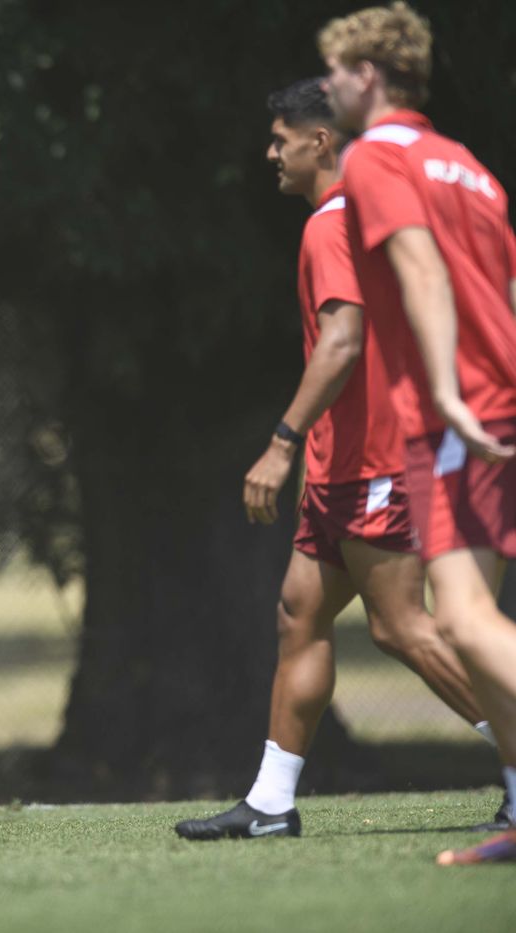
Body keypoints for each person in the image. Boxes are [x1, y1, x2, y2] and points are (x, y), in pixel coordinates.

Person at [176, 78, 500, 842]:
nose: (270, 153)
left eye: (280, 138)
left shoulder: (334, 222)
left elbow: (344, 340)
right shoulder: (358, 218)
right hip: (341, 464)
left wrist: (281, 442)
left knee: (401, 627)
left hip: (372, 458)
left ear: (319, 141)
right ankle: (270, 802)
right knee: (300, 612)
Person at [320, 1, 516, 864]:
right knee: (470, 612)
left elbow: (423, 270)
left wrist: (445, 390)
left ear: (367, 74)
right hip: (498, 397)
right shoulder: (466, 164)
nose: (328, 87)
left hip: (460, 410)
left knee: (468, 624)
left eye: (334, 72)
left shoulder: (375, 158)